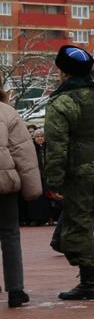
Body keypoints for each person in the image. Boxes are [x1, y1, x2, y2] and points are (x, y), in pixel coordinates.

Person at [43, 45, 94, 300]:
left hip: (77, 172)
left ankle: (89, 282)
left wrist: (54, 181)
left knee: (80, 224)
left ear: (64, 72)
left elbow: (57, 145)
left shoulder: (60, 103)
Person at [0, 91, 42, 307]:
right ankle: (15, 290)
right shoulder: (8, 112)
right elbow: (23, 153)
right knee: (10, 235)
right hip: (5, 182)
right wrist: (33, 189)